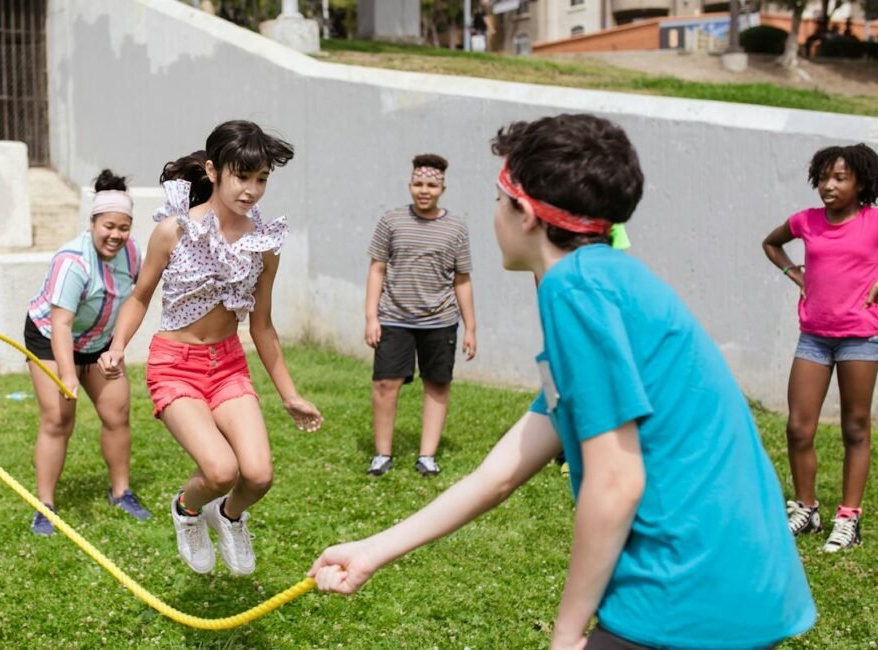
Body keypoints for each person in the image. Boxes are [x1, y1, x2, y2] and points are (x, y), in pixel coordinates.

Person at [309, 114, 815, 650]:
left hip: (685, 590)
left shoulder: (574, 291)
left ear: (524, 214)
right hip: (740, 583)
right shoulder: (604, 279)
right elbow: (501, 473)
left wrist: (567, 633)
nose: (494, 213)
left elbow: (615, 482)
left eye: (499, 199)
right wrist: (373, 550)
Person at [100, 120, 324, 577]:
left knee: (258, 475)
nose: (252, 189)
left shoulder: (265, 244)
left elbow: (262, 326)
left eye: (261, 179)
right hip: (175, 367)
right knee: (221, 471)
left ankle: (229, 516)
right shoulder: (173, 230)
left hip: (228, 367)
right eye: (243, 176)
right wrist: (118, 345)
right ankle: (186, 509)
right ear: (213, 171)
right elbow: (140, 295)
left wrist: (290, 394)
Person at [761, 143, 878, 553]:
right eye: (824, 177)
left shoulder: (873, 222)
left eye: (839, 178)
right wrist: (796, 274)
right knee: (798, 427)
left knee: (855, 427)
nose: (828, 186)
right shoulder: (806, 221)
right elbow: (771, 243)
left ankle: (848, 519)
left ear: (861, 182)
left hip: (860, 338)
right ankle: (807, 509)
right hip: (813, 336)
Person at [22, 169, 151, 536]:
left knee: (117, 411)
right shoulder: (72, 262)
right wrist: (67, 375)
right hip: (51, 339)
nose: (115, 235)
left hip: (99, 341)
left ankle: (121, 492)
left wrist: (118, 347)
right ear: (92, 222)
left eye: (123, 227)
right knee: (58, 419)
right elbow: (61, 324)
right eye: (108, 226)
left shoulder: (131, 254)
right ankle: (44, 505)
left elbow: (134, 301)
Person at [364, 153, 476, 477]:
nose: (423, 190)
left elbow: (463, 279)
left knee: (437, 384)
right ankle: (382, 454)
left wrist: (471, 328)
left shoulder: (456, 227)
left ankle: (427, 456)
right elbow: (377, 269)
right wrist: (371, 317)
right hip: (394, 318)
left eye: (430, 184)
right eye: (418, 183)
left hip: (440, 321)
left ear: (442, 188)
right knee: (385, 383)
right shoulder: (391, 221)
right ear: (409, 184)